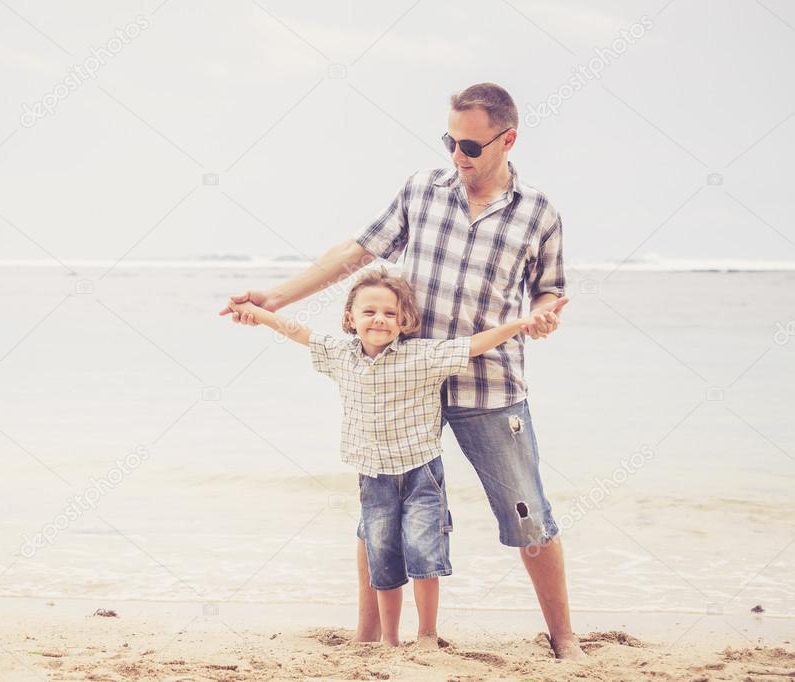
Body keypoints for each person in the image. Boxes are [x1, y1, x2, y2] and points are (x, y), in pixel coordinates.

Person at [220, 82, 585, 659]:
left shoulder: (538, 212)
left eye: (470, 146)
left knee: (527, 510)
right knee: (380, 509)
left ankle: (564, 638)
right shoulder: (422, 190)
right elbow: (356, 252)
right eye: (450, 142)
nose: (457, 157)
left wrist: (542, 319)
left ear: (507, 140)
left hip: (489, 381)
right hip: (401, 378)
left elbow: (549, 292)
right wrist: (276, 298)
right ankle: (369, 637)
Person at [225, 267, 567, 647]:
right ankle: (388, 640)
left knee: (425, 555)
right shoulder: (340, 354)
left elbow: (473, 345)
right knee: (382, 559)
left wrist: (522, 323)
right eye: (369, 312)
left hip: (422, 474)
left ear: (405, 321)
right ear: (350, 318)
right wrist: (259, 314)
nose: (379, 320)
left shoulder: (422, 355)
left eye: (390, 313)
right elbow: (297, 332)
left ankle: (426, 635)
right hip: (373, 478)